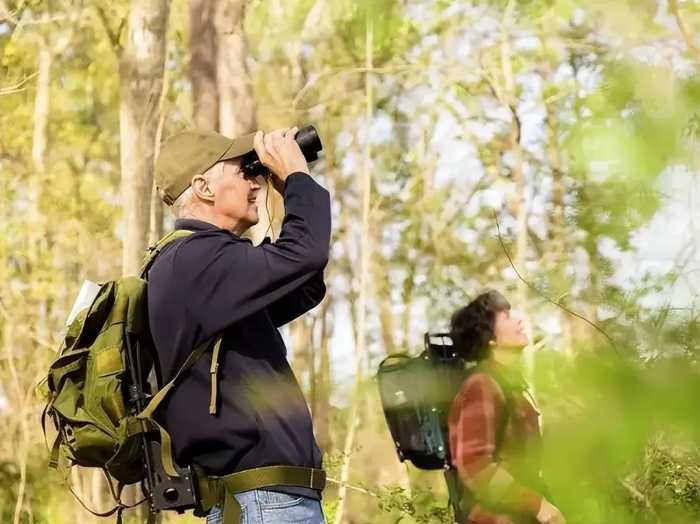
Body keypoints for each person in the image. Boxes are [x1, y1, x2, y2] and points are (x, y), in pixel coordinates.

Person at [147, 127, 331, 524]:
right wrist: (298, 177)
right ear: (204, 187)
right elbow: (304, 255)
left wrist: (285, 187)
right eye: (244, 170)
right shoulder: (194, 259)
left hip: (265, 501)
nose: (256, 180)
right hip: (262, 503)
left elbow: (303, 283)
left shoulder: (200, 264)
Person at [447, 290, 566, 524]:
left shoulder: (509, 386)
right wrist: (537, 505)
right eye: (506, 316)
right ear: (489, 337)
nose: (519, 320)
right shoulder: (481, 386)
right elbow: (475, 465)